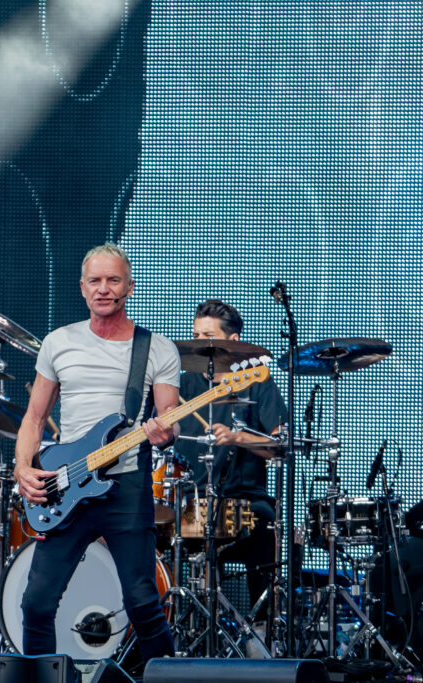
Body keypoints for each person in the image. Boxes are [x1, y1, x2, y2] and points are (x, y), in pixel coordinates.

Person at [14, 243, 179, 662]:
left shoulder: (157, 349)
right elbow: (34, 419)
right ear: (82, 288)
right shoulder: (58, 342)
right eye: (95, 281)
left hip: (125, 483)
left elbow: (169, 420)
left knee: (143, 603)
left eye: (113, 280)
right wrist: (22, 468)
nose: (104, 289)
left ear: (130, 286)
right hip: (65, 485)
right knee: (36, 603)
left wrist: (165, 432)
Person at [176, 299, 287, 621]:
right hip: (188, 500)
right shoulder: (183, 385)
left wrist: (239, 437)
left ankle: (265, 629)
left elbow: (281, 445)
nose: (198, 344)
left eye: (207, 336)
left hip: (246, 502)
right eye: (195, 335)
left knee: (268, 527)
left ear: (233, 341)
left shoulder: (257, 381)